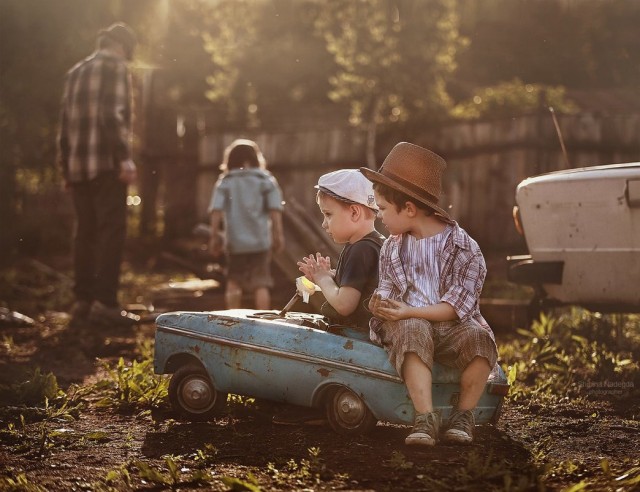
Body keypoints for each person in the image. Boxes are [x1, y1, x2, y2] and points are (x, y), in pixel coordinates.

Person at [360, 142, 498, 446]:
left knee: (479, 340)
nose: (379, 216)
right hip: (409, 326)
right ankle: (425, 418)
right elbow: (388, 291)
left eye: (382, 209)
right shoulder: (392, 247)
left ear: (409, 209)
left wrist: (409, 310)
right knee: (412, 329)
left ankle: (463, 415)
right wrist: (380, 304)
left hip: (452, 327)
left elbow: (456, 306)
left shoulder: (464, 248)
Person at [273, 169, 384, 426]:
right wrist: (327, 276)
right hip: (363, 329)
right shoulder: (373, 243)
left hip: (354, 332)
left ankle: (308, 405)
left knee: (298, 344)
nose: (324, 223)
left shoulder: (360, 250)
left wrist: (323, 280)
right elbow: (359, 285)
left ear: (355, 212)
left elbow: (345, 304)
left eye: (328, 215)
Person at [57, 22, 140, 327]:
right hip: (105, 164)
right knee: (111, 231)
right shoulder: (115, 66)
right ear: (123, 46)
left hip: (78, 166)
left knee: (85, 233)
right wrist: (123, 158)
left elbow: (64, 125)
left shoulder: (75, 72)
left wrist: (65, 167)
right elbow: (111, 114)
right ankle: (105, 304)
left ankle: (82, 301)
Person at [208, 139, 285, 310]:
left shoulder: (226, 181)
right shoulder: (266, 180)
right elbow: (275, 210)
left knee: (234, 281)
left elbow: (216, 210)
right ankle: (263, 322)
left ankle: (232, 322)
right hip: (260, 241)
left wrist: (214, 237)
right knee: (261, 283)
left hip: (235, 242)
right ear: (255, 159)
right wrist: (278, 235)